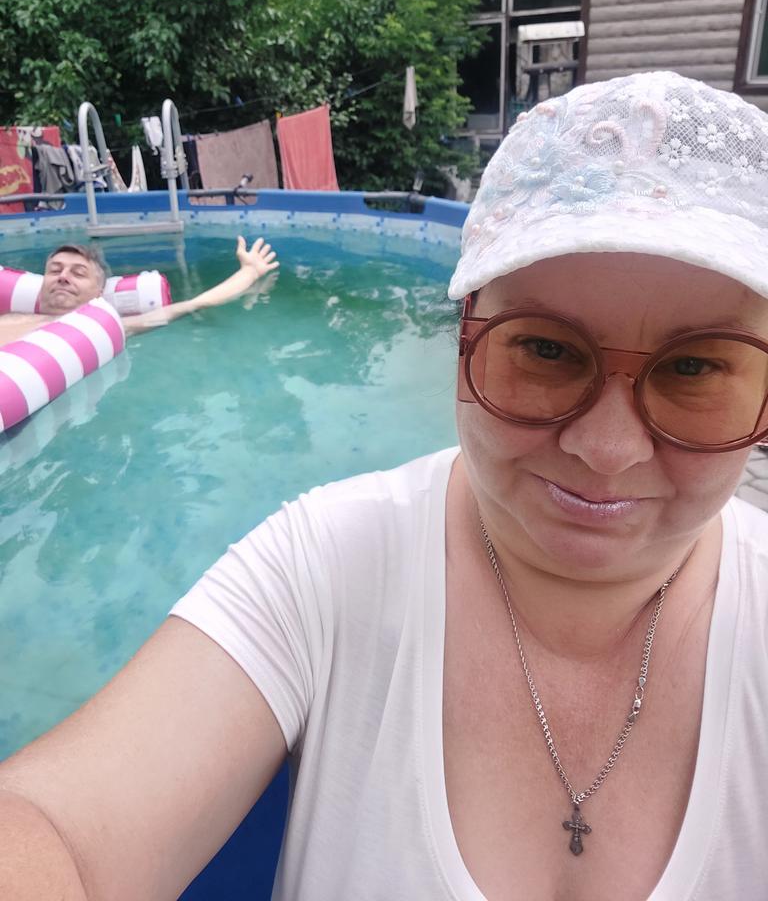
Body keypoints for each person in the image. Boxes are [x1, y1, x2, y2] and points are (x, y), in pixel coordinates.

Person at [2, 70, 768, 900]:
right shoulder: (323, 568)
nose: (608, 449)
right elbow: (58, 826)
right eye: (546, 349)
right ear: (464, 338)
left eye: (695, 368)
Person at [0, 236, 279, 348]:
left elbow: (193, 305)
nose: (63, 277)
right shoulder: (13, 315)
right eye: (55, 270)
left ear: (98, 294)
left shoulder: (102, 327)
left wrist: (250, 272)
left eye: (78, 273)